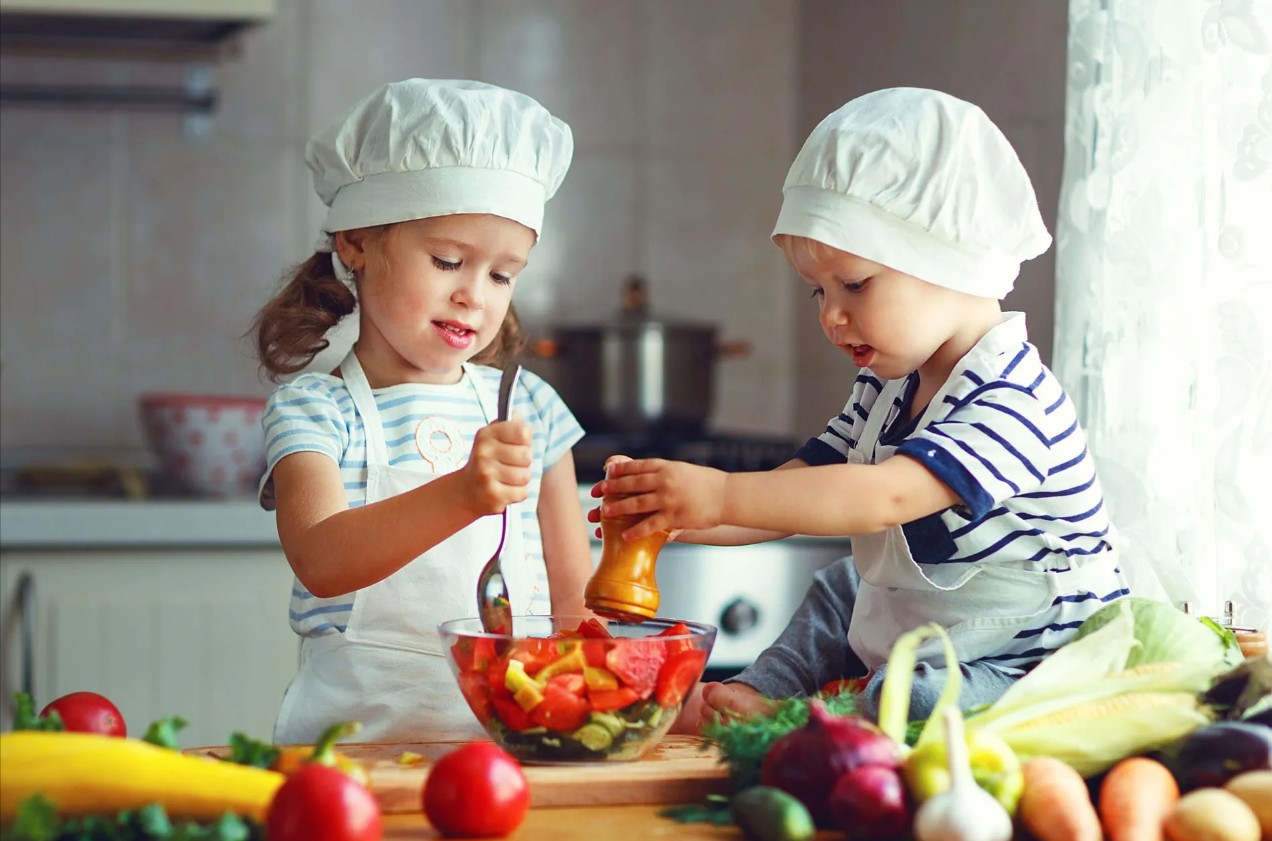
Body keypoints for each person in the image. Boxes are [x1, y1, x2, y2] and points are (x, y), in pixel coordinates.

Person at [594, 87, 1132, 732]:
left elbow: (884, 497)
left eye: (854, 285)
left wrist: (719, 495)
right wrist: (676, 516)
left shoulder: (1014, 399)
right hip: (933, 623)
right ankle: (766, 692)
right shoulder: (887, 387)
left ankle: (822, 718)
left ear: (948, 259)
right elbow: (790, 491)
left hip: (1029, 660)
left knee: (925, 703)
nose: (830, 315)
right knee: (838, 588)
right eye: (818, 291)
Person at [251, 79, 592, 743]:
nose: (474, 295)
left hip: (511, 764)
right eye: (447, 260)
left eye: (501, 274)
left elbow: (572, 606)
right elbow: (321, 559)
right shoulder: (315, 412)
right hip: (351, 765)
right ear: (356, 243)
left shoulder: (529, 408)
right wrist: (462, 493)